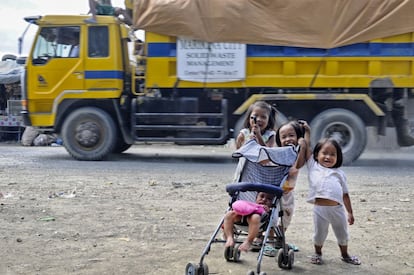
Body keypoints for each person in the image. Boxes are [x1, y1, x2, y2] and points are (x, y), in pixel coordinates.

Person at [305, 138, 361, 265]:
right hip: (320, 210)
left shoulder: (339, 174)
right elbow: (307, 147)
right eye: (324, 153)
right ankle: (318, 253)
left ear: (338, 157)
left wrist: (350, 213)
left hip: (337, 210)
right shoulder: (313, 167)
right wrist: (307, 132)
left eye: (332, 154)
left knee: (342, 234)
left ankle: (345, 254)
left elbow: (345, 195)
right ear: (316, 155)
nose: (328, 157)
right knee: (319, 234)